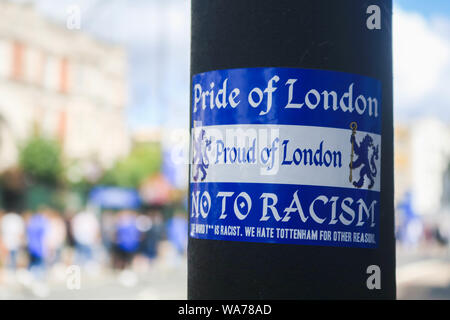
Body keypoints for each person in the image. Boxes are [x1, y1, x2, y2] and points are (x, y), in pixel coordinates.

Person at [26, 212, 50, 278]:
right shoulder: (41, 224)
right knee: (39, 264)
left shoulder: (31, 224)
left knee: (32, 264)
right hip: (39, 248)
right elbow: (44, 238)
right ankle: (38, 278)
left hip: (32, 247)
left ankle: (31, 277)